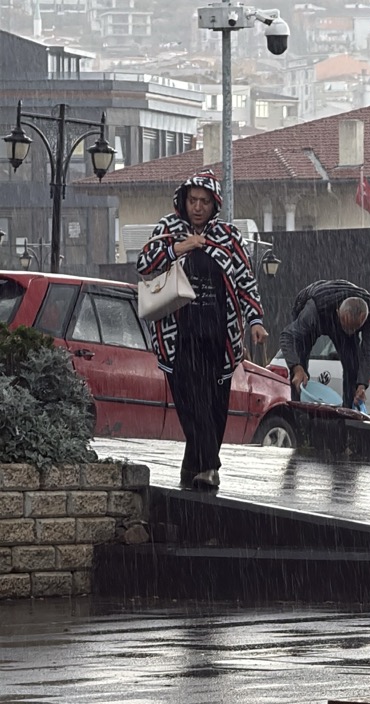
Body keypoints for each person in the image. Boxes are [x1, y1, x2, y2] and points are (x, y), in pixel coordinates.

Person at [136, 171, 267, 489]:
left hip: (219, 334)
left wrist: (256, 320)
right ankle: (210, 465)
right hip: (178, 334)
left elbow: (246, 279)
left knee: (215, 403)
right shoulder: (168, 229)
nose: (197, 207)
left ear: (215, 204)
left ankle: (194, 464)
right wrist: (181, 247)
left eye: (204, 201)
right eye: (192, 200)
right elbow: (145, 265)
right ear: (183, 200)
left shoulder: (229, 235)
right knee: (189, 401)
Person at [279, 279, 370, 410]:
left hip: (337, 309)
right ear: (338, 312)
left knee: (353, 365)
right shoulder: (313, 309)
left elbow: (369, 351)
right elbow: (287, 336)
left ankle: (349, 414)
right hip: (317, 307)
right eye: (346, 327)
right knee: (300, 363)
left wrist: (362, 385)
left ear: (364, 319)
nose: (349, 332)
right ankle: (299, 414)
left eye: (354, 329)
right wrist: (296, 367)